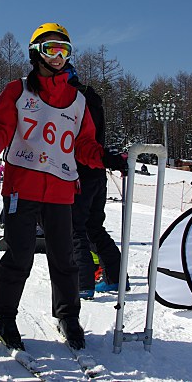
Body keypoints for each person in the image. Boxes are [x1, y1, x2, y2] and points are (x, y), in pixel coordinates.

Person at [0, 23, 128, 351]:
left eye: (64, 50)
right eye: (51, 49)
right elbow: (1, 124)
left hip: (62, 189)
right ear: (37, 52)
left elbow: (84, 144)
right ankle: (2, 315)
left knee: (64, 258)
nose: (59, 56)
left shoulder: (77, 100)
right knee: (19, 255)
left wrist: (108, 158)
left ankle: (67, 315)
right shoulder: (18, 90)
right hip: (23, 185)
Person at [70, 85, 129, 300]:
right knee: (93, 228)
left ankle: (83, 283)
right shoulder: (93, 102)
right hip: (97, 170)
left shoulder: (72, 101)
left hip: (80, 171)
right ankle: (117, 277)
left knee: (75, 229)